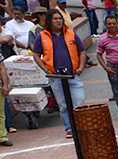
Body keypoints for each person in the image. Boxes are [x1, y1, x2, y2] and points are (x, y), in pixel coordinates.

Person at [32, 9, 87, 139]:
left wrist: (81, 66)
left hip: (73, 75)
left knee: (79, 101)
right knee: (63, 105)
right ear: (49, 21)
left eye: (60, 18)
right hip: (56, 77)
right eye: (55, 19)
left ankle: (79, 127)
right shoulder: (43, 36)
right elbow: (35, 54)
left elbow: (82, 51)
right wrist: (45, 69)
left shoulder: (70, 33)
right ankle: (69, 128)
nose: (58, 21)